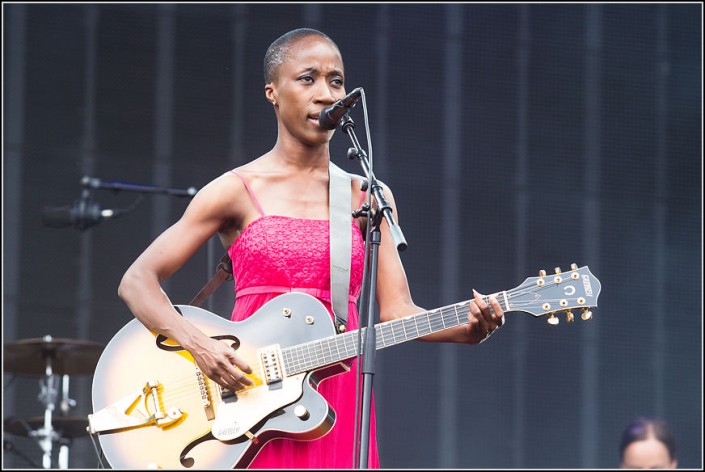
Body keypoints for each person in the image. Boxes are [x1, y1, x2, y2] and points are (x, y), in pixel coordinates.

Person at [117, 27, 505, 469]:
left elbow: (398, 313)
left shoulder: (368, 195)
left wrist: (468, 330)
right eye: (307, 79)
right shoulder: (235, 190)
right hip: (249, 395)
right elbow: (137, 282)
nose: (325, 93)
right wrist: (200, 345)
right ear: (272, 92)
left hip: (335, 397)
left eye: (335, 81)